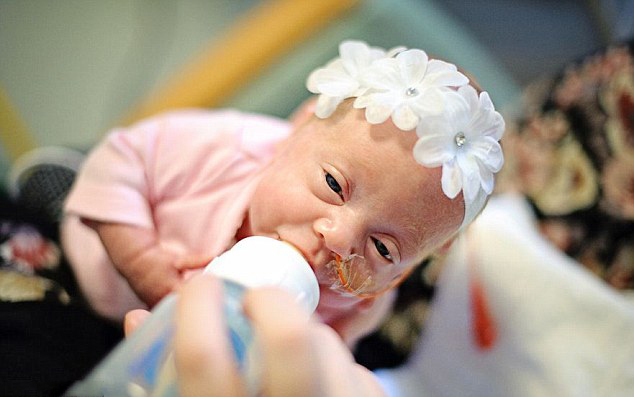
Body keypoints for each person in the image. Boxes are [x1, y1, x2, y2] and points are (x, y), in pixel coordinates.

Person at [60, 39, 506, 347]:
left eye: (384, 249)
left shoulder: (363, 304)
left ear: (405, 273)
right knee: (91, 196)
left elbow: (324, 350)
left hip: (166, 355)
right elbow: (121, 159)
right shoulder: (225, 148)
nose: (337, 237)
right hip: (99, 267)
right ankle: (59, 184)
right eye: (334, 185)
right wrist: (145, 270)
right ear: (296, 129)